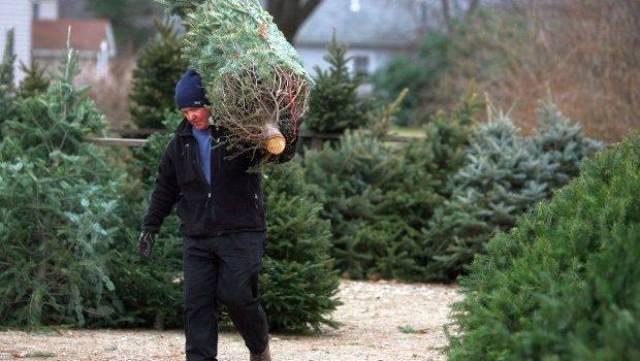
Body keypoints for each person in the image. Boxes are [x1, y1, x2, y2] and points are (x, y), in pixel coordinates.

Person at [138, 69, 300, 361]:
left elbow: (280, 153)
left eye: (195, 108)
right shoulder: (180, 143)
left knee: (237, 296)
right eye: (185, 111)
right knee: (196, 304)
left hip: (241, 231)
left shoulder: (238, 134)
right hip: (198, 235)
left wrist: (287, 128)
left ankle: (259, 347)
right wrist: (150, 226)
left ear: (210, 104)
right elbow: (165, 187)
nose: (191, 117)